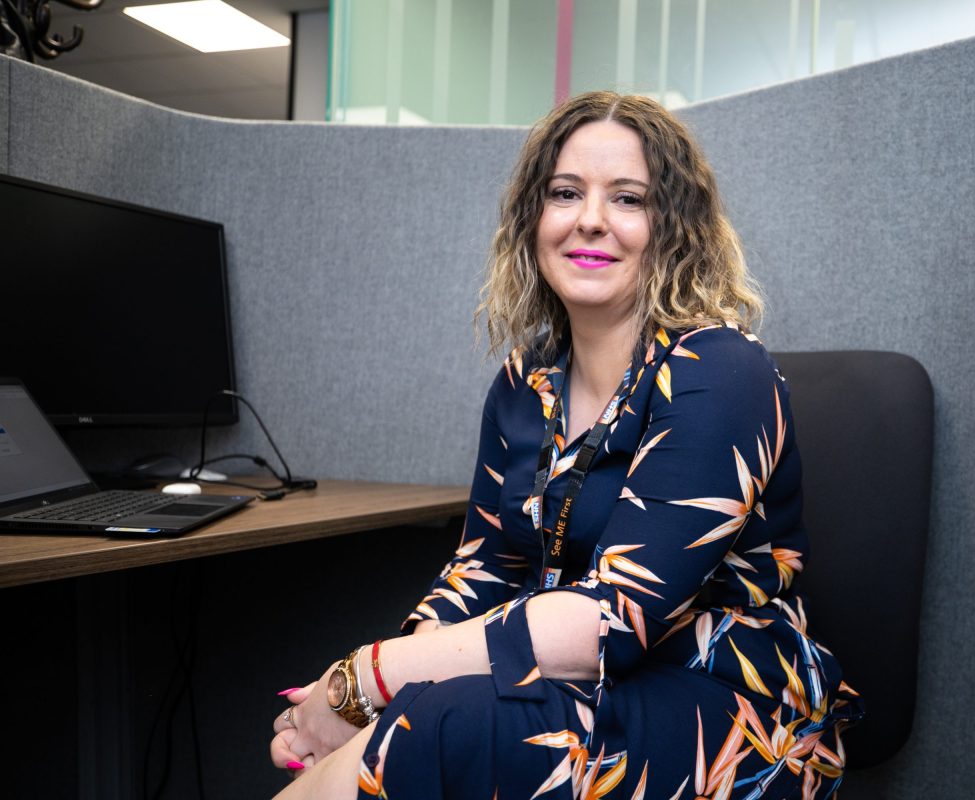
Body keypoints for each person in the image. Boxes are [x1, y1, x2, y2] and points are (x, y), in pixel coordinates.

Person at [269, 91, 863, 800]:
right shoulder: (527, 382)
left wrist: (368, 677)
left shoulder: (722, 371)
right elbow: (485, 568)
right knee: (420, 719)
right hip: (566, 687)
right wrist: (382, 691)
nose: (590, 219)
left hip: (729, 709)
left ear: (674, 229)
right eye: (565, 192)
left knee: (440, 728)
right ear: (533, 218)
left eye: (629, 199)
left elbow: (613, 620)